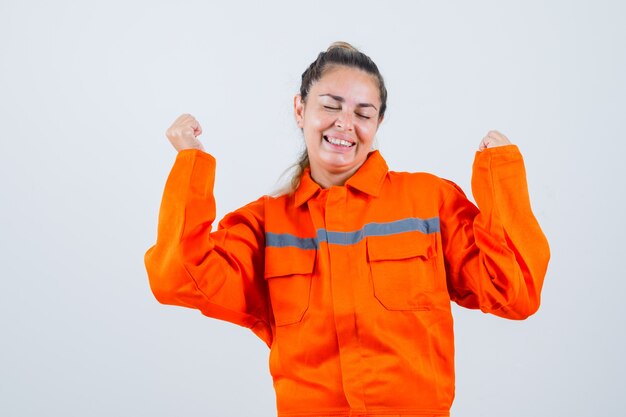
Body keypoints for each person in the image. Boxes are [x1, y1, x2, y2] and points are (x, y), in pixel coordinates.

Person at [145, 42, 550, 417]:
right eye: (330, 106)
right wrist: (191, 165)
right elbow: (178, 276)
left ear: (378, 123)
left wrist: (502, 179)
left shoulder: (428, 200)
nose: (345, 124)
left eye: (362, 112)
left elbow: (513, 291)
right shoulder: (267, 223)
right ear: (300, 110)